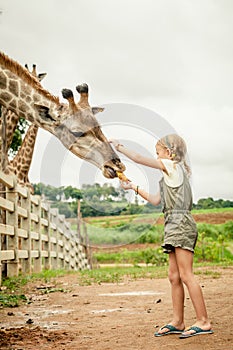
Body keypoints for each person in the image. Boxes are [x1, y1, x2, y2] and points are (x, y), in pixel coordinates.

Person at [110, 134, 213, 339]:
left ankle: (203, 321)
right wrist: (133, 187)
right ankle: (178, 321)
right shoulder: (168, 175)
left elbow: (138, 158)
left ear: (169, 152)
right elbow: (157, 200)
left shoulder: (172, 166)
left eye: (158, 152)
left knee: (186, 275)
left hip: (181, 223)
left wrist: (119, 148)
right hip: (171, 224)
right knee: (174, 276)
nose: (157, 157)